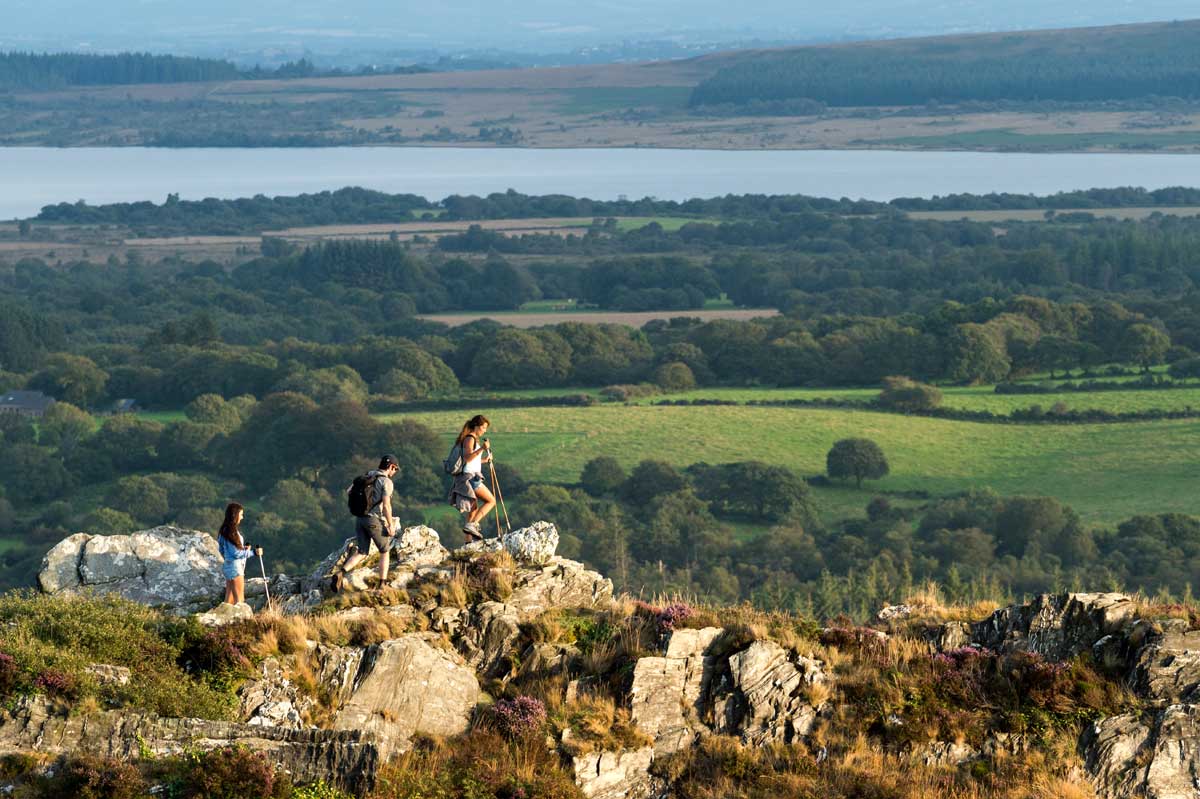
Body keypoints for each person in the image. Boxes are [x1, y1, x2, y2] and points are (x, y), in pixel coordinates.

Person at [333, 454, 399, 592]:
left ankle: (341, 573)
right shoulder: (386, 482)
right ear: (391, 467)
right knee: (385, 550)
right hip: (373, 520)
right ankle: (382, 584)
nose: (395, 472)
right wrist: (390, 525)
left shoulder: (368, 475)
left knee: (362, 551)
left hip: (360, 519)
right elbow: (386, 505)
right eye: (395, 469)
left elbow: (349, 490)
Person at [450, 415, 495, 543]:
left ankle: (468, 542)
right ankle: (473, 525)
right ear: (476, 426)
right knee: (491, 501)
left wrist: (484, 460)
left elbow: (471, 460)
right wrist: (482, 448)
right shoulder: (470, 439)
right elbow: (467, 458)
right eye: (483, 427)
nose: (484, 430)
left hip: (468, 476)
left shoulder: (472, 439)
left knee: (473, 509)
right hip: (470, 478)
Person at [217, 502, 260, 605]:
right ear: (235, 515)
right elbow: (236, 553)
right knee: (239, 601)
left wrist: (243, 550)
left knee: (229, 600)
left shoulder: (224, 530)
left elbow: (222, 550)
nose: (242, 517)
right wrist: (254, 552)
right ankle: (239, 620)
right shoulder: (232, 532)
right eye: (241, 514)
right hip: (235, 567)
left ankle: (225, 619)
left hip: (228, 566)